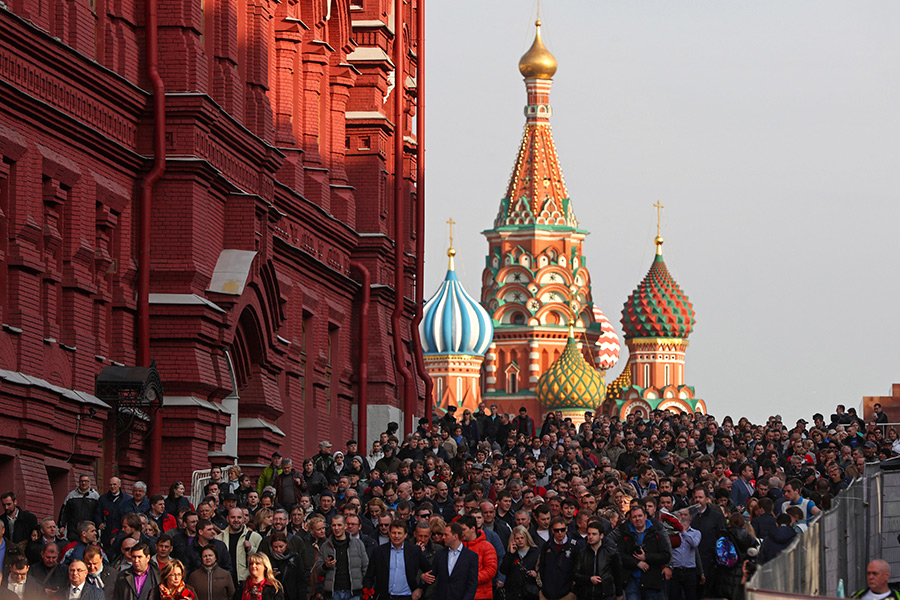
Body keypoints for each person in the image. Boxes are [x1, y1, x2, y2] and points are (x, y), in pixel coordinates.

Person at [363, 519, 432, 600]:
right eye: (394, 533)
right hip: (385, 597)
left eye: (399, 533)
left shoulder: (414, 551)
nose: (396, 536)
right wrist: (368, 595)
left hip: (408, 596)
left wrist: (420, 588)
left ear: (405, 535)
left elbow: (430, 571)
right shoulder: (379, 551)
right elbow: (369, 576)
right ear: (389, 533)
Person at [617, 506, 671, 600]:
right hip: (632, 581)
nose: (637, 519)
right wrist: (637, 563)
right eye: (634, 517)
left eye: (640, 516)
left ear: (645, 516)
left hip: (651, 582)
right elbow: (620, 555)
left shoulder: (656, 535)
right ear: (630, 519)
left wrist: (646, 557)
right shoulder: (625, 535)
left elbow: (666, 556)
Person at [314, 515, 368, 600]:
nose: (336, 528)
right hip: (332, 593)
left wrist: (363, 586)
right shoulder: (325, 546)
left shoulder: (358, 544)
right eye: (334, 525)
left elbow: (365, 567)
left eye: (339, 525)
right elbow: (318, 570)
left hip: (353, 592)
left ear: (345, 526)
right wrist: (326, 566)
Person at [216, 507, 262, 590]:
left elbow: (262, 560)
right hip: (224, 582)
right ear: (227, 519)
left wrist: (251, 549)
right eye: (233, 517)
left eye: (239, 517)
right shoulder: (218, 538)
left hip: (246, 583)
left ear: (244, 519)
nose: (236, 520)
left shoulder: (255, 537)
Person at [430, 522, 477, 600]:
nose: (443, 537)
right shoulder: (440, 554)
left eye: (446, 535)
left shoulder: (471, 556)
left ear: (455, 536)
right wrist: (423, 578)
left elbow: (472, 584)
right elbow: (432, 575)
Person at [537, 516, 580, 600]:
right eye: (556, 530)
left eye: (562, 530)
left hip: (567, 593)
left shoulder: (574, 546)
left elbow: (578, 569)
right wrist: (542, 588)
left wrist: (573, 591)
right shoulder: (546, 546)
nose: (560, 533)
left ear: (566, 529)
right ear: (552, 530)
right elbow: (541, 567)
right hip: (547, 593)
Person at [458, 515, 496, 600]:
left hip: (481, 594)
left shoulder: (486, 546)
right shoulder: (457, 546)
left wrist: (471, 578)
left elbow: (491, 570)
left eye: (464, 529)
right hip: (461, 594)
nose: (461, 533)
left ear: (473, 529)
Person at [667, 508, 700, 600]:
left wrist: (683, 532)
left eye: (685, 515)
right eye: (681, 515)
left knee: (691, 596)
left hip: (690, 571)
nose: (683, 517)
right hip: (675, 570)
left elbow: (694, 543)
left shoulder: (696, 533)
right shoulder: (672, 533)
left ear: (690, 517)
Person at [498, 526, 539, 600]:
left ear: (526, 538)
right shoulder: (511, 554)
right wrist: (510, 554)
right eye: (517, 538)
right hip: (513, 594)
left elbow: (544, 571)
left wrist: (536, 574)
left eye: (522, 538)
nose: (520, 540)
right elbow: (503, 570)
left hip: (531, 593)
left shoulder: (536, 552)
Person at [60, 476, 101, 542]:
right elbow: (65, 511)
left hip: (90, 531)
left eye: (86, 481)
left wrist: (99, 525)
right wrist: (62, 525)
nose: (83, 483)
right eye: (81, 481)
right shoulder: (71, 495)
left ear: (89, 483)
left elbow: (99, 512)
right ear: (79, 482)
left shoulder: (95, 496)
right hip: (74, 530)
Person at [96, 478, 132, 551]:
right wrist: (99, 523)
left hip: (122, 532)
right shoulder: (103, 499)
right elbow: (97, 513)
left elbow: (130, 517)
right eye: (110, 485)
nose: (112, 486)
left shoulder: (127, 499)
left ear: (119, 485)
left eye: (114, 484)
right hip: (106, 532)